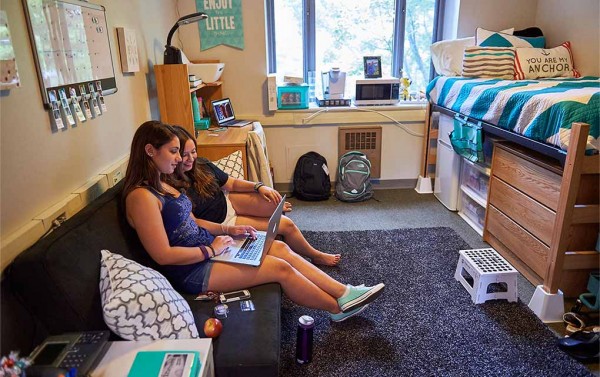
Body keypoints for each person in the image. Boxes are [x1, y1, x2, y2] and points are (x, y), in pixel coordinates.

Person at [122, 120, 385, 322]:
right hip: (192, 270)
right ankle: (338, 308)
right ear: (149, 151)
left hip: (212, 248)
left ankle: (344, 291)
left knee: (280, 248)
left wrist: (228, 229)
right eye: (173, 152)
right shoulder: (141, 197)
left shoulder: (165, 185)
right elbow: (163, 255)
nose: (180, 159)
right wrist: (210, 250)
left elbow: (195, 223)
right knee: (279, 269)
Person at [167, 125, 340, 266]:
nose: (191, 158)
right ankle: (315, 255)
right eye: (185, 155)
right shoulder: (174, 187)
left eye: (193, 151)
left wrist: (259, 187)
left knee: (274, 203)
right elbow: (194, 223)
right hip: (222, 223)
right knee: (287, 225)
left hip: (229, 202)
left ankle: (276, 214)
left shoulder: (201, 165)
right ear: (174, 155)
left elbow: (232, 183)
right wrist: (227, 229)